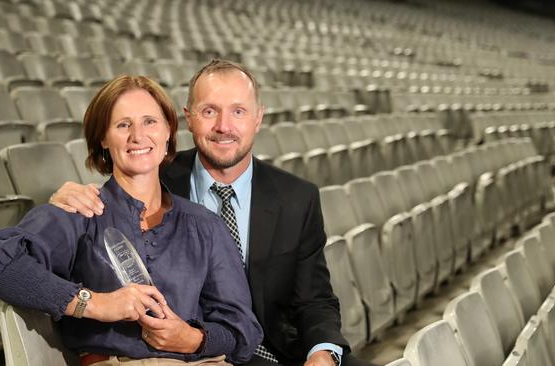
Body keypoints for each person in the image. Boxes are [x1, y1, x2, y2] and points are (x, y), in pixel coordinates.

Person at [52, 60, 377, 366]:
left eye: (238, 111)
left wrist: (322, 354)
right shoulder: (151, 178)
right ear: (187, 117)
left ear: (258, 118)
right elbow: (110, 199)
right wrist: (66, 197)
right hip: (193, 353)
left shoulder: (298, 197)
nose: (224, 126)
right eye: (209, 111)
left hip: (280, 350)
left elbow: (315, 299)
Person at [0, 75, 262, 366]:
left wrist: (192, 338)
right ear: (103, 138)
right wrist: (95, 303)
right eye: (123, 125)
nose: (138, 136)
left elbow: (243, 331)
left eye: (150, 121)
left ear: (168, 132)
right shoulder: (80, 211)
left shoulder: (205, 225)